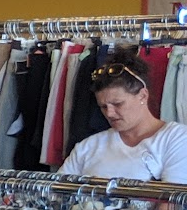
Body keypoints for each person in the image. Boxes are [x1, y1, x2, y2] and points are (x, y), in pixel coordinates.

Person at [59, 52, 187, 181]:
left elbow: (173, 193)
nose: (109, 113)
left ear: (143, 96)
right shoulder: (87, 147)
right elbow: (55, 190)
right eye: (103, 106)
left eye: (117, 104)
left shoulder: (177, 139)